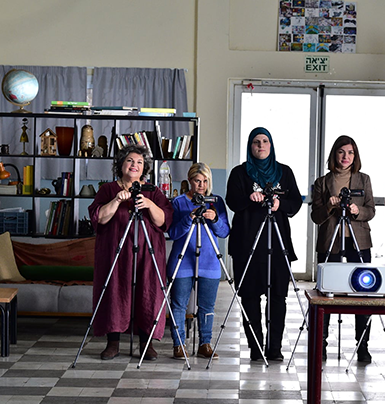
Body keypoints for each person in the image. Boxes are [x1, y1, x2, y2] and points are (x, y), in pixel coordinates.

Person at [89, 144, 173, 361]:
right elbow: (99, 218)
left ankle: (147, 344)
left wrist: (148, 204)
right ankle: (113, 342)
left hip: (148, 252)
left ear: (144, 168)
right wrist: (117, 200)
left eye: (139, 162)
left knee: (148, 292)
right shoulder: (107, 189)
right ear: (121, 164)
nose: (134, 165)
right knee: (115, 292)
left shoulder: (153, 191)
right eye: (130, 161)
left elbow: (164, 221)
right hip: (115, 253)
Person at [226, 127, 302, 362]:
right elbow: (231, 200)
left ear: (271, 145)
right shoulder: (240, 173)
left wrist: (280, 205)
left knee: (278, 296)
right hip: (247, 243)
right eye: (256, 142)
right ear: (250, 146)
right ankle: (256, 346)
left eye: (265, 141)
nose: (261, 145)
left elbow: (296, 201)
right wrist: (249, 198)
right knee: (249, 296)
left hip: (277, 244)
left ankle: (275, 347)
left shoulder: (284, 172)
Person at [311, 135, 376, 362]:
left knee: (363, 292)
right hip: (331, 241)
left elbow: (371, 211)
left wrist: (357, 211)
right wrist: (329, 207)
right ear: (334, 154)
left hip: (358, 240)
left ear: (355, 156)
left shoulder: (364, 179)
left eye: (350, 153)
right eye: (341, 152)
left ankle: (363, 345)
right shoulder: (322, 182)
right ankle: (321, 343)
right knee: (327, 292)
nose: (346, 157)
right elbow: (315, 217)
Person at [167, 162, 230, 360]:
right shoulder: (178, 202)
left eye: (205, 181)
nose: (201, 185)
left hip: (209, 262)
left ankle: (205, 343)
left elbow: (225, 231)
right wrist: (189, 218)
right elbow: (172, 232)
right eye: (197, 181)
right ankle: (179, 345)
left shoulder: (216, 201)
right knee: (178, 304)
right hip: (182, 261)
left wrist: (214, 219)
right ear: (189, 181)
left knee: (207, 306)